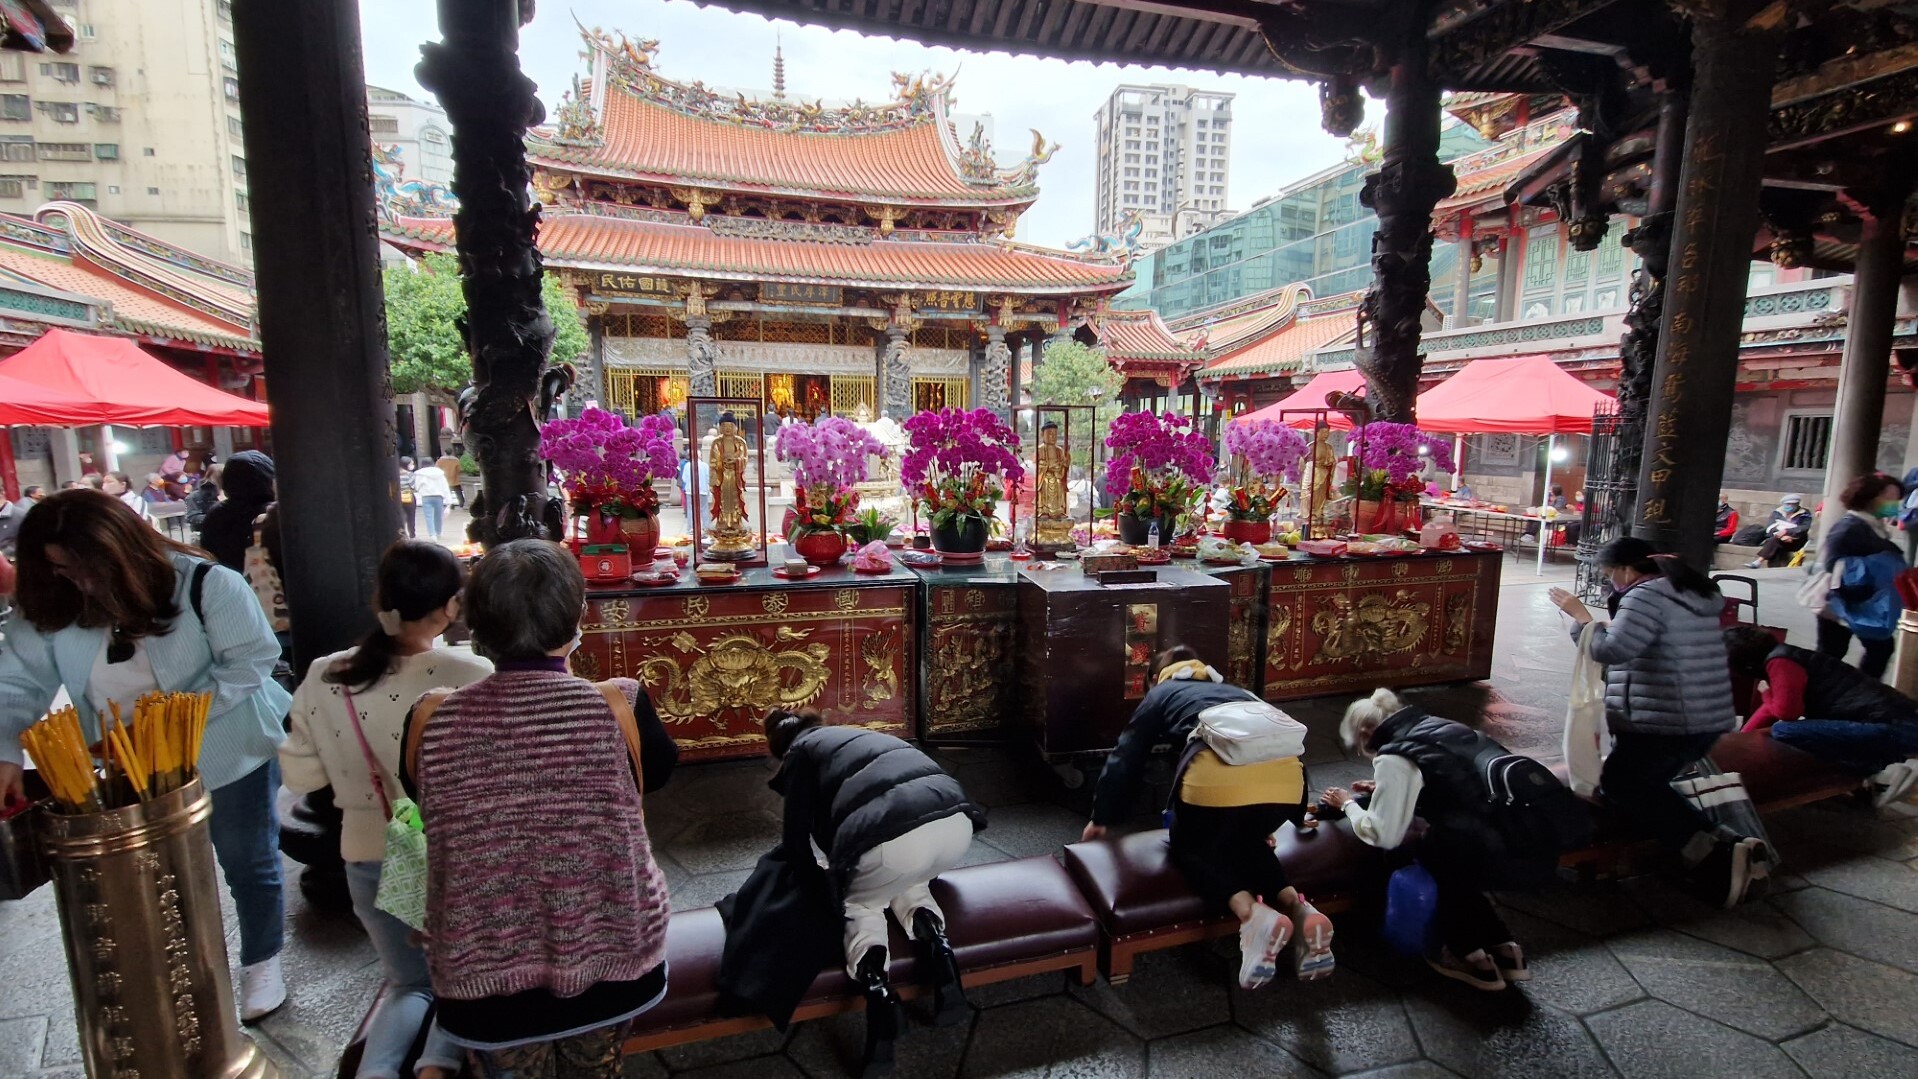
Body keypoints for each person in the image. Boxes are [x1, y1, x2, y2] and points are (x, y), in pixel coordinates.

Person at [0, 490, 293, 1018]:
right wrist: (3, 749)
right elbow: (16, 684)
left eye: (88, 570)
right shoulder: (56, 602)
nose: (80, 583)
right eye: (62, 571)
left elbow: (250, 663)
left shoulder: (206, 584)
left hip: (229, 750)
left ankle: (262, 960)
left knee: (247, 861)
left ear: (124, 552)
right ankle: (179, 970)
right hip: (126, 768)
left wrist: (157, 727)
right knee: (154, 874)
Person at [399, 539, 677, 1072]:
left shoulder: (430, 720)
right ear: (577, 617)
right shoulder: (620, 706)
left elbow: (423, 797)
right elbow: (658, 774)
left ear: (473, 624)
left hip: (482, 983)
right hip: (613, 960)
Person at [281, 541, 492, 1079]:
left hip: (367, 853)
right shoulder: (470, 673)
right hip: (452, 859)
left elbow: (301, 776)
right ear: (451, 606)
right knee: (464, 976)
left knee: (409, 984)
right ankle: (437, 1066)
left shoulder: (327, 674)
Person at [1083, 646, 1334, 987]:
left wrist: (1102, 817)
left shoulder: (1163, 692)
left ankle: (1252, 914)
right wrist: (1285, 816)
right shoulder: (1238, 692)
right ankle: (1299, 908)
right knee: (1244, 839)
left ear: (1155, 678)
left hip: (1217, 786)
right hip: (1288, 786)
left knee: (1190, 844)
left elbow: (1126, 758)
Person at [762, 707, 986, 1073]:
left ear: (781, 747)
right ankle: (942, 958)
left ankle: (881, 1003)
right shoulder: (860, 736)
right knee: (909, 881)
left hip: (894, 840)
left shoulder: (800, 752)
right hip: (955, 825)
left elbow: (795, 840)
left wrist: (818, 886)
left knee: (861, 906)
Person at [1548, 537, 1766, 907]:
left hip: (1666, 717)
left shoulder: (1644, 595)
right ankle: (1676, 848)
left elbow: (1610, 650)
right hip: (1704, 714)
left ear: (1627, 570)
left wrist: (1581, 617)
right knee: (1644, 782)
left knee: (1622, 783)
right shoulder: (1689, 591)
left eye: (1609, 574)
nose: (1610, 581)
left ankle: (1718, 848)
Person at [1329, 688, 1584, 991]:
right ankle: (1505, 949)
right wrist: (1387, 789)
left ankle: (1469, 956)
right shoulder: (1443, 726)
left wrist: (1348, 804)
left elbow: (1383, 834)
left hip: (1486, 849)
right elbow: (1454, 780)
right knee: (1452, 861)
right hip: (1522, 834)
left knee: (1431, 858)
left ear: (1368, 731)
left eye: (1362, 745)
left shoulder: (1394, 755)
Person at [1724, 625, 1918, 803]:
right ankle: (1875, 770)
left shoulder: (1781, 663)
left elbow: (1786, 712)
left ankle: (1878, 770)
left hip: (1895, 726)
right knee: (1794, 731)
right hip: (1896, 722)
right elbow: (1768, 711)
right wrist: (1734, 746)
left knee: (1784, 731)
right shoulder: (1784, 656)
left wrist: (1765, 693)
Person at [1815, 472, 1907, 680]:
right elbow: (1832, 562)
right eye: (1889, 499)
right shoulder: (1850, 527)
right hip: (1843, 600)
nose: (1894, 505)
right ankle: (1837, 694)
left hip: (1861, 601)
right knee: (1835, 652)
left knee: (1839, 651)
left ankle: (1855, 692)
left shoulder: (1873, 526)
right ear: (1869, 498)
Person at [199, 450, 275, 571]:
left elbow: (208, 552)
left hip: (230, 583)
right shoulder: (273, 514)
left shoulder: (216, 514)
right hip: (268, 585)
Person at [1743, 494, 1813, 568]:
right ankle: (1769, 567)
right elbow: (1770, 527)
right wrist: (1782, 535)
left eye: (1793, 504)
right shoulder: (1777, 512)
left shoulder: (1804, 513)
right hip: (1779, 539)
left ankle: (1758, 561)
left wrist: (1788, 533)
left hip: (1797, 540)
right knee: (1775, 542)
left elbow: (1804, 528)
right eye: (1788, 504)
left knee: (1774, 543)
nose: (1790, 506)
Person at [410, 456, 451, 543]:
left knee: (429, 516)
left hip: (426, 496)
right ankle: (438, 532)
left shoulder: (419, 474)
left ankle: (432, 534)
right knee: (438, 516)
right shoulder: (440, 474)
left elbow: (417, 486)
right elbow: (445, 487)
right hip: (438, 496)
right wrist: (448, 502)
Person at [185, 464, 222, 536]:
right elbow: (192, 517)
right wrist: (218, 517)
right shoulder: (194, 496)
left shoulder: (232, 492)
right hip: (206, 535)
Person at [1900, 465, 1918, 567]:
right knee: (1908, 554)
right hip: (1912, 517)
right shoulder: (1915, 471)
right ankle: (1907, 579)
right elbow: (1903, 488)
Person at [397, 457, 418, 539]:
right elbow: (413, 486)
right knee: (411, 517)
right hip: (408, 497)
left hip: (398, 498)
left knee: (401, 516)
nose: (412, 466)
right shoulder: (410, 474)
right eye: (411, 464)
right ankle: (412, 534)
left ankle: (402, 533)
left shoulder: (395, 474)